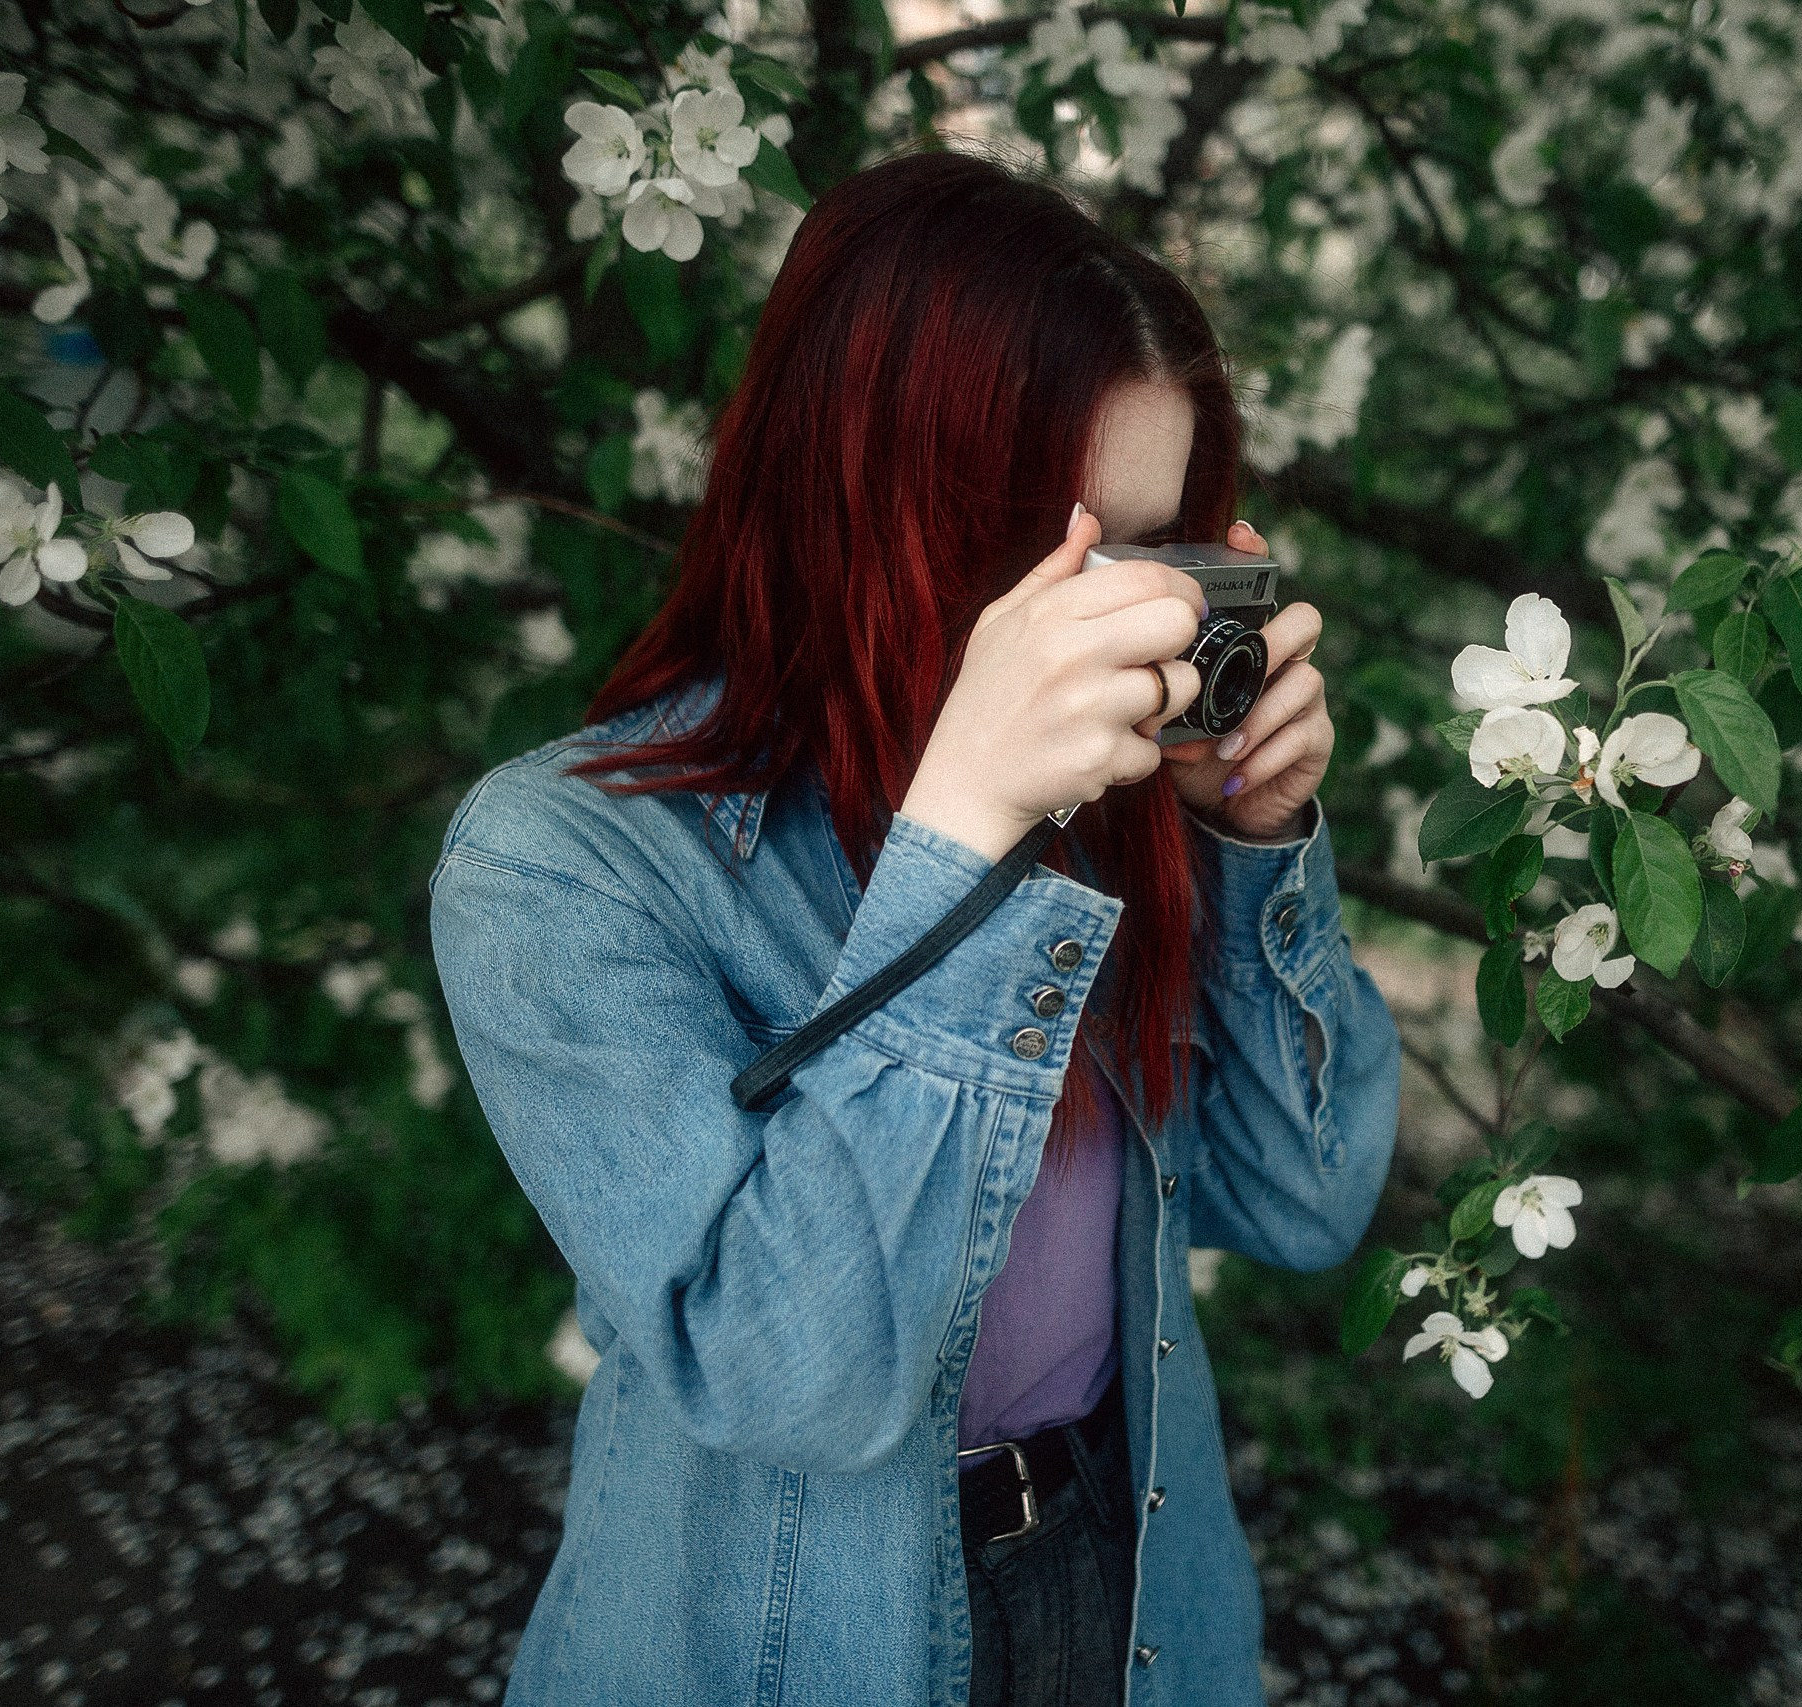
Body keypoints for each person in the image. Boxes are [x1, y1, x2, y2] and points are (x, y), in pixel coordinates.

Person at [426, 141, 1401, 1707]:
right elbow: (786, 1374)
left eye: (1157, 562)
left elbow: (1302, 1205)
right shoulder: (558, 866)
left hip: (1127, 1564)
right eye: (1071, 566)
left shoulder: (1125, 807)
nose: (1125, 640)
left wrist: (1253, 849)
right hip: (791, 1631)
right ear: (874, 507)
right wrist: (959, 845)